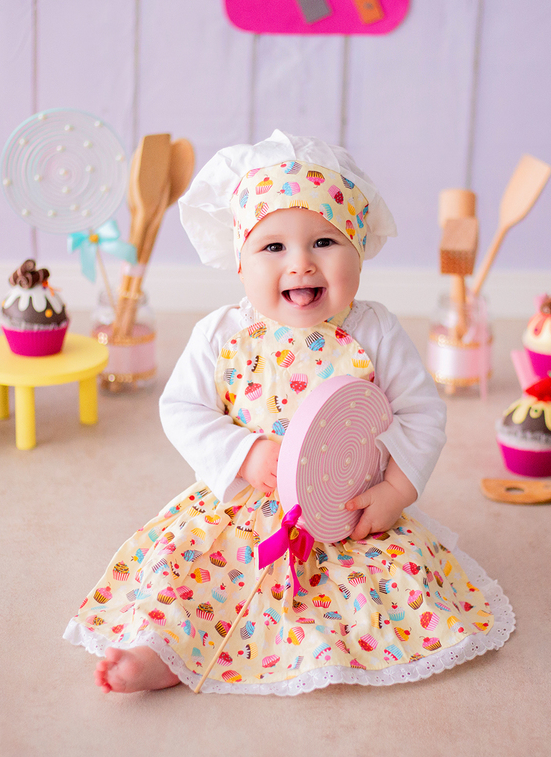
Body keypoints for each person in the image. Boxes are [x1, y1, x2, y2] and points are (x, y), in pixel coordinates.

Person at [65, 131, 513, 695]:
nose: (300, 264)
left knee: (376, 587)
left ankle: (329, 646)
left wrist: (396, 490)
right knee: (191, 571)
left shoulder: (372, 329)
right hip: (246, 504)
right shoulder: (223, 334)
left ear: (359, 249)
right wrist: (245, 454)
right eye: (272, 247)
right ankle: (163, 649)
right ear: (239, 263)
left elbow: (421, 413)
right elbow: (182, 407)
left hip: (350, 507)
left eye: (325, 241)